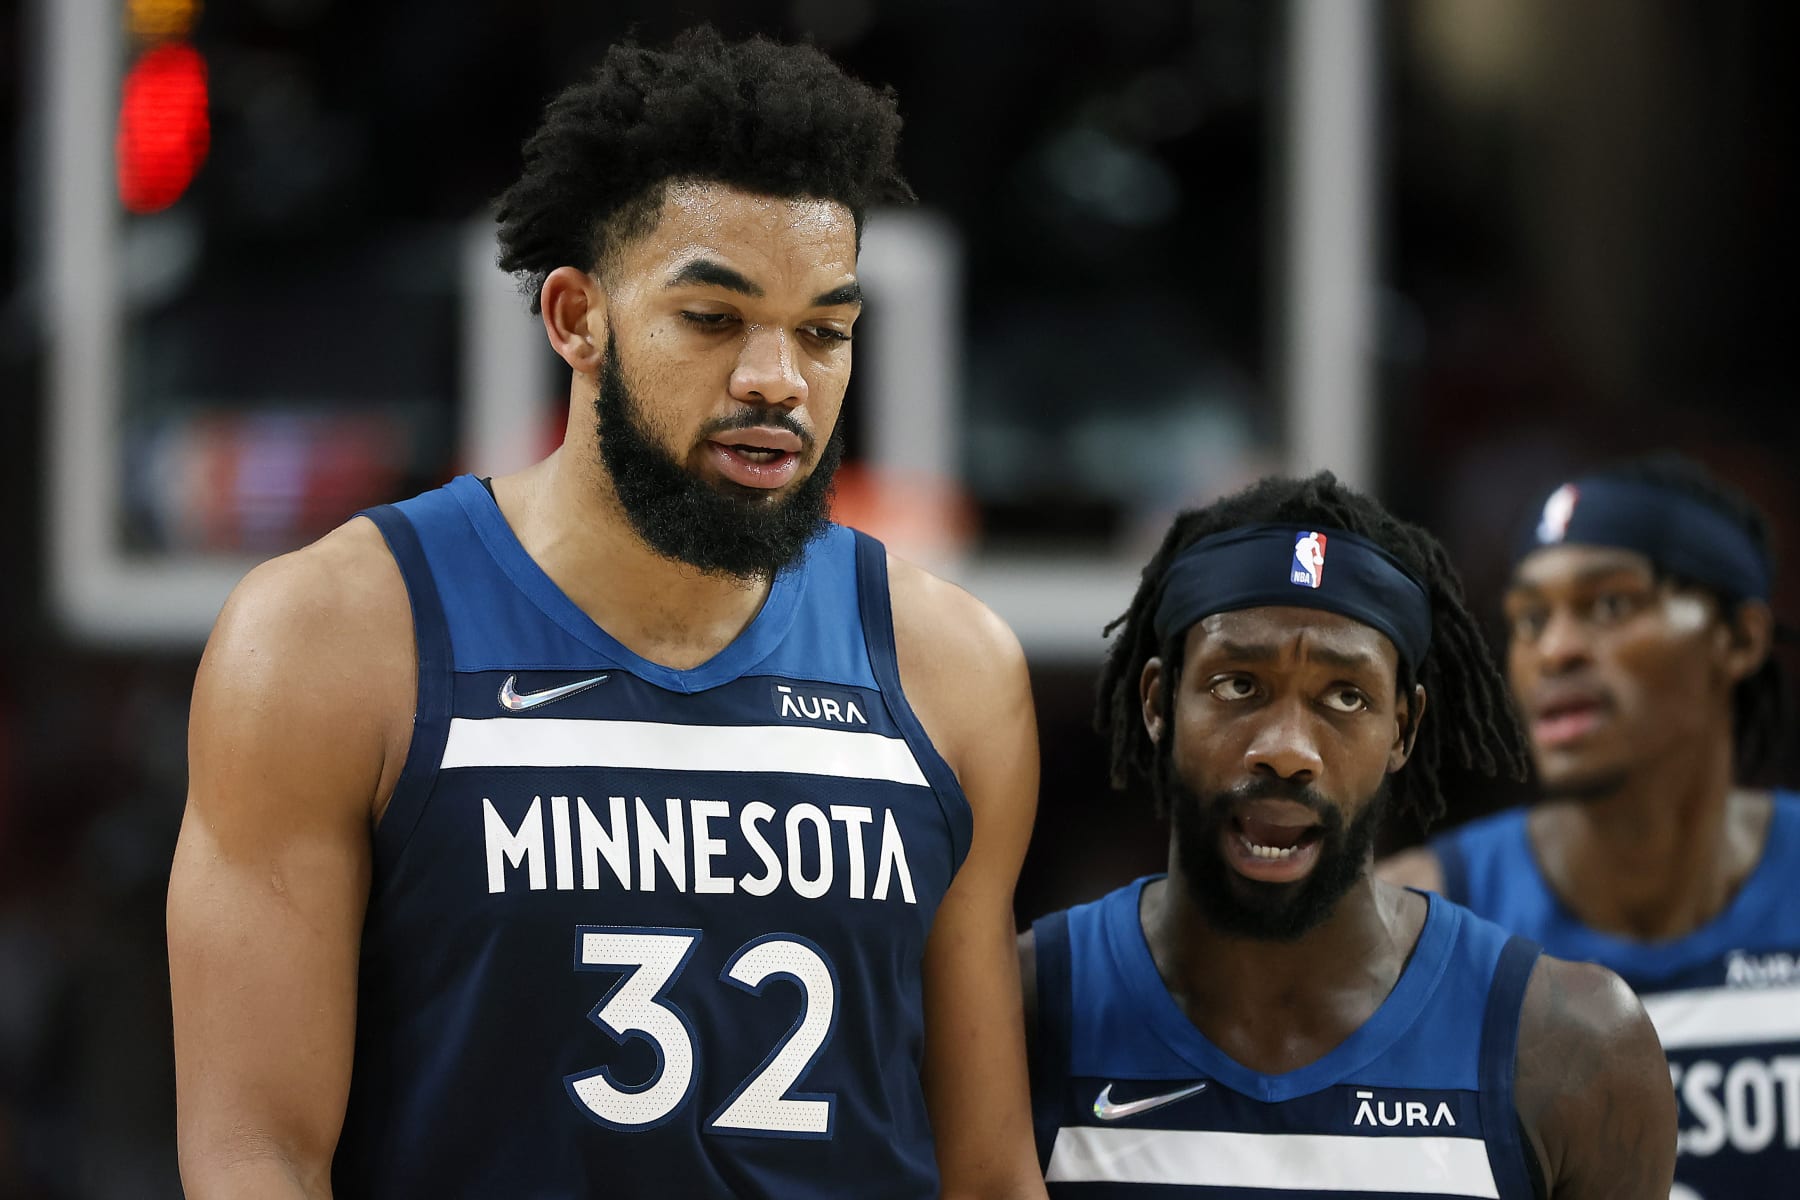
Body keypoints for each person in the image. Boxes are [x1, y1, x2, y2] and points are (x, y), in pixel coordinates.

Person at [168, 29, 1046, 1200]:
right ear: (577, 318)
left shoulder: (952, 669)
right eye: (714, 319)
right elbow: (255, 1156)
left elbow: (987, 1173)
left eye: (824, 331)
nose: (777, 380)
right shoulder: (331, 638)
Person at [1024, 473, 1676, 1198]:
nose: (1286, 748)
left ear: (1402, 727)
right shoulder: (1019, 1013)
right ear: (1157, 703)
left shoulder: (1571, 1050)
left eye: (1345, 696)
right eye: (1238, 684)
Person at [1381, 455, 1796, 1199]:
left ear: (1739, 640)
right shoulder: (1416, 921)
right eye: (1531, 619)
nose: (1556, 650)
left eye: (1609, 606)